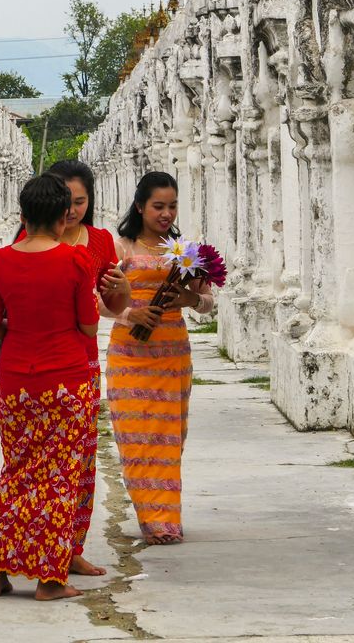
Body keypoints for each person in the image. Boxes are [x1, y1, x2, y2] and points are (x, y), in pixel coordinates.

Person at [0, 173, 98, 601]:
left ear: (23, 216)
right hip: (65, 379)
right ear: (65, 218)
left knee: (17, 472)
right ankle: (49, 579)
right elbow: (87, 324)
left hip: (16, 383)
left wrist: (21, 322)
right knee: (59, 478)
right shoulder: (75, 261)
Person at [14, 159, 131, 576]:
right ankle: (37, 552)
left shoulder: (99, 241)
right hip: (36, 364)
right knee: (36, 465)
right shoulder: (27, 243)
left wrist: (121, 290)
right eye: (65, 202)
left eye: (79, 201)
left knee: (80, 463)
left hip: (82, 360)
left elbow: (113, 310)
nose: (71, 210)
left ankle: (70, 546)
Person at [106, 172, 214, 546]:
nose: (166, 214)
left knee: (168, 437)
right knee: (137, 437)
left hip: (171, 352)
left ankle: (166, 517)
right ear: (140, 207)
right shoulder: (120, 249)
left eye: (172, 206)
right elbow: (97, 301)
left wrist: (189, 300)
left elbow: (208, 303)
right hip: (129, 355)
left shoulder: (185, 252)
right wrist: (129, 314)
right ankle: (153, 519)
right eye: (158, 206)